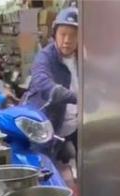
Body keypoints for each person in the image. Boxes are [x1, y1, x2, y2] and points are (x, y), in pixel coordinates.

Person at [23, 7, 79, 150]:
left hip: (76, 126)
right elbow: (42, 82)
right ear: (55, 34)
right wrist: (75, 97)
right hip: (47, 126)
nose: (67, 40)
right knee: (46, 168)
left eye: (73, 35)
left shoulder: (83, 58)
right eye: (63, 34)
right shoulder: (45, 57)